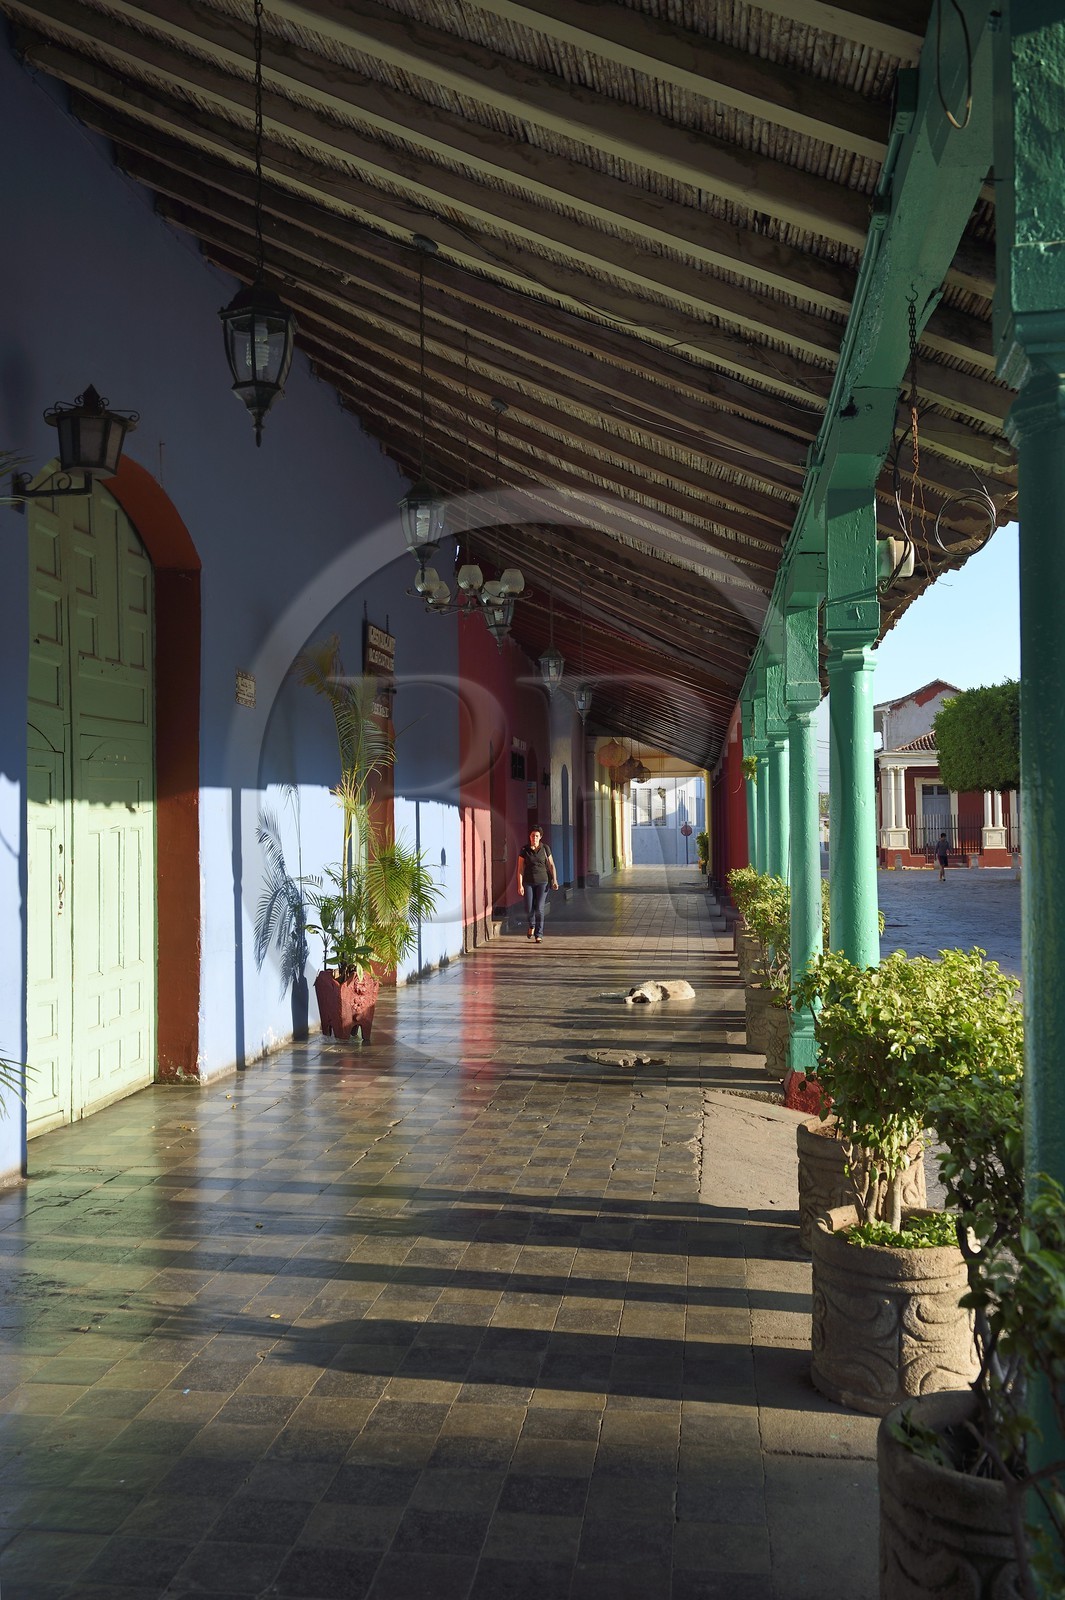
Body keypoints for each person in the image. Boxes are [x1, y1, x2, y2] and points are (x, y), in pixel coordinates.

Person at [516, 826, 558, 942]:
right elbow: (520, 869)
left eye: (537, 836)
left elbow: (551, 865)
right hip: (528, 882)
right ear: (529, 836)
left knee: (539, 908)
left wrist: (554, 880)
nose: (534, 837)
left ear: (540, 837)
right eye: (532, 835)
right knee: (528, 908)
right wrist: (520, 885)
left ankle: (539, 934)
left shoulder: (545, 848)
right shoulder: (524, 850)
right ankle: (532, 925)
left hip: (543, 882)